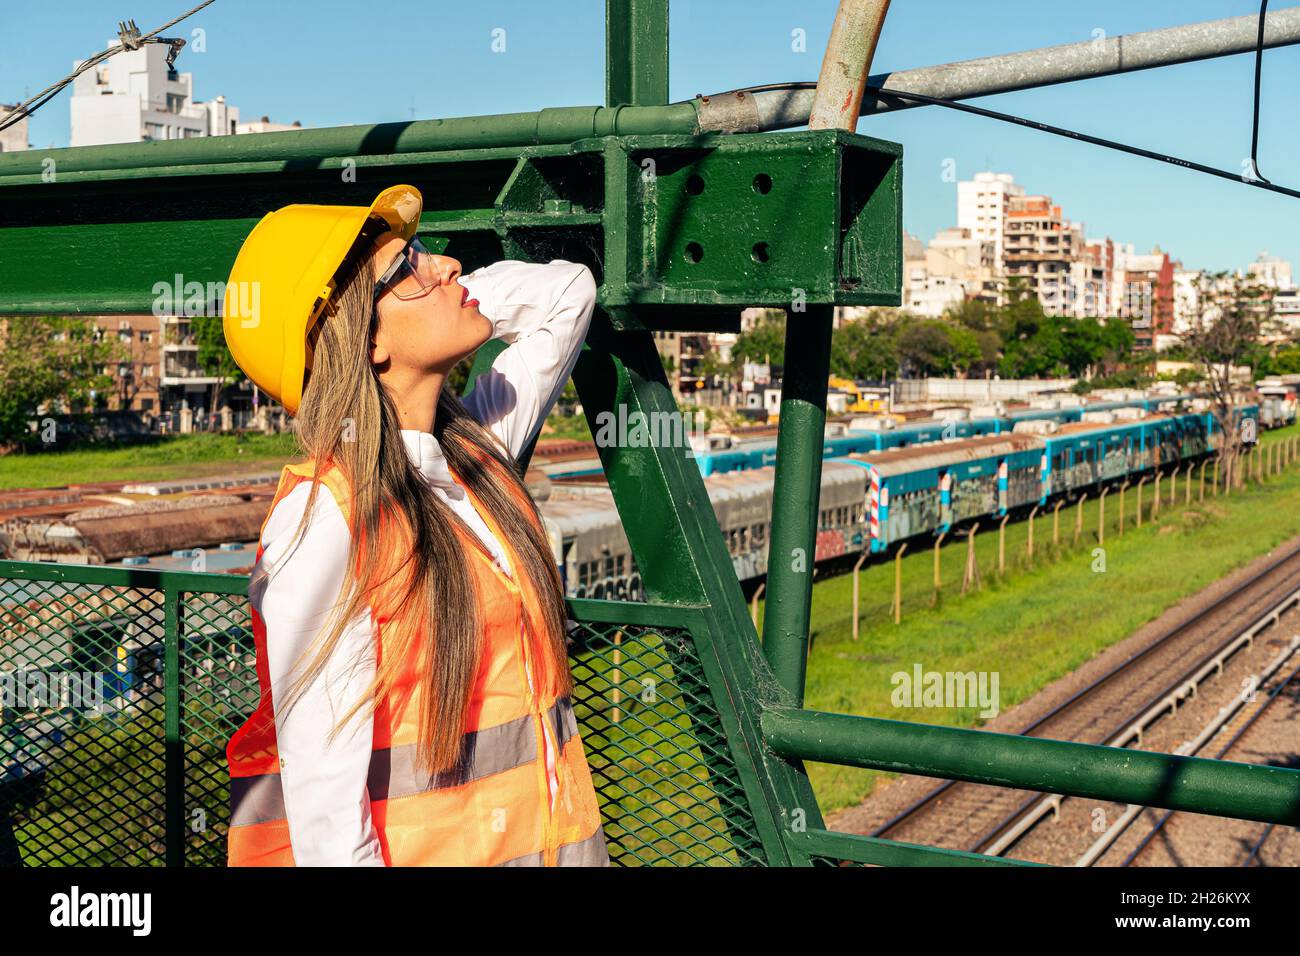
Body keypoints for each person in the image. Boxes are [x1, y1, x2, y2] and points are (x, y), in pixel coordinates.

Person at [220, 184, 608, 866]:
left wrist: (420, 286)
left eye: (427, 253)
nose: (449, 266)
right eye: (411, 269)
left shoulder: (476, 455)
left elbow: (566, 293)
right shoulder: (327, 525)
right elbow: (328, 829)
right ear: (364, 339)